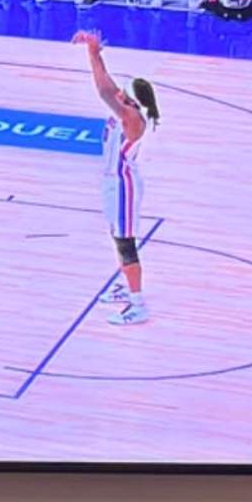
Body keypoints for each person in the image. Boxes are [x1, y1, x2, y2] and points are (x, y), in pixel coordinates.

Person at [74, 27, 163, 321]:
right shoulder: (128, 108)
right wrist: (95, 54)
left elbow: (104, 92)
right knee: (117, 237)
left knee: (126, 244)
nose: (119, 93)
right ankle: (127, 287)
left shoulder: (132, 118)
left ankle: (138, 305)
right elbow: (107, 88)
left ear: (134, 102)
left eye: (125, 93)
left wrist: (92, 53)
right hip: (114, 182)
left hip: (124, 184)